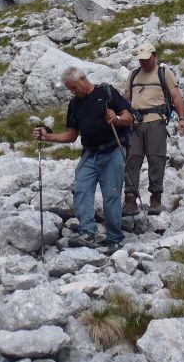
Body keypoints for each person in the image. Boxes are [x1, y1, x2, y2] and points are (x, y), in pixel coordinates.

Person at [33, 66, 133, 255]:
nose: (72, 91)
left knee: (111, 194)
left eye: (73, 87)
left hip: (112, 150)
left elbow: (129, 118)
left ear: (83, 80)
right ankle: (88, 231)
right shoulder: (74, 104)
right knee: (81, 188)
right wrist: (47, 138)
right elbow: (72, 135)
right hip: (90, 153)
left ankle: (114, 238)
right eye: (70, 89)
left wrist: (117, 118)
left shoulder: (107, 92)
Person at [123, 41, 184, 216]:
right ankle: (130, 199)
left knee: (156, 159)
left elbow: (176, 97)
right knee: (132, 159)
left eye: (146, 58)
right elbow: (126, 99)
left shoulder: (164, 73)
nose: (143, 62)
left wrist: (182, 119)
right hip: (135, 123)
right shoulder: (133, 75)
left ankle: (156, 199)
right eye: (141, 59)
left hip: (156, 122)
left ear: (155, 56)